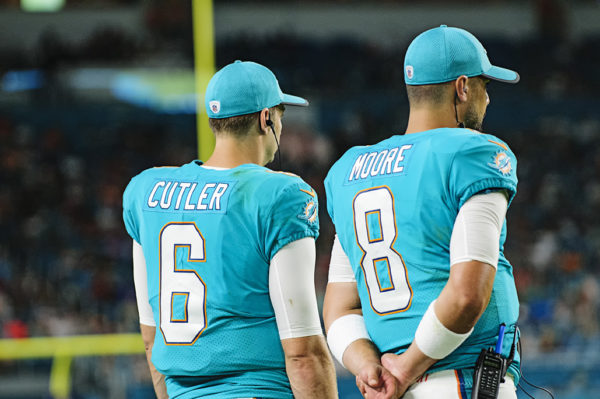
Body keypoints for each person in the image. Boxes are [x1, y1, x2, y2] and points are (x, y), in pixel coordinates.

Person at [323, 25, 521, 398]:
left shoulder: (350, 171)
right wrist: (405, 368)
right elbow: (466, 296)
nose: (488, 100)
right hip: (461, 382)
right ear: (462, 87)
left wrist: (367, 367)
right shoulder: (472, 153)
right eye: (484, 86)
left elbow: (338, 307)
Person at [123, 60, 337, 399]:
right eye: (280, 115)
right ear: (266, 118)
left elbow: (151, 340)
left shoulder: (146, 191)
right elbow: (303, 352)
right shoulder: (278, 194)